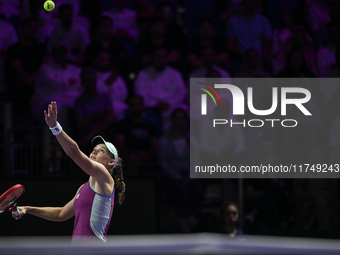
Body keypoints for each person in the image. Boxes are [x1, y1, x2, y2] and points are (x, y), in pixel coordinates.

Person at [12, 101, 125, 243]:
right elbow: (61, 213)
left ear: (111, 162)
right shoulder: (83, 188)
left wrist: (55, 127)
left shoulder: (105, 178)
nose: (94, 152)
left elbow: (74, 152)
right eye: (93, 150)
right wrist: (27, 209)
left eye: (101, 151)